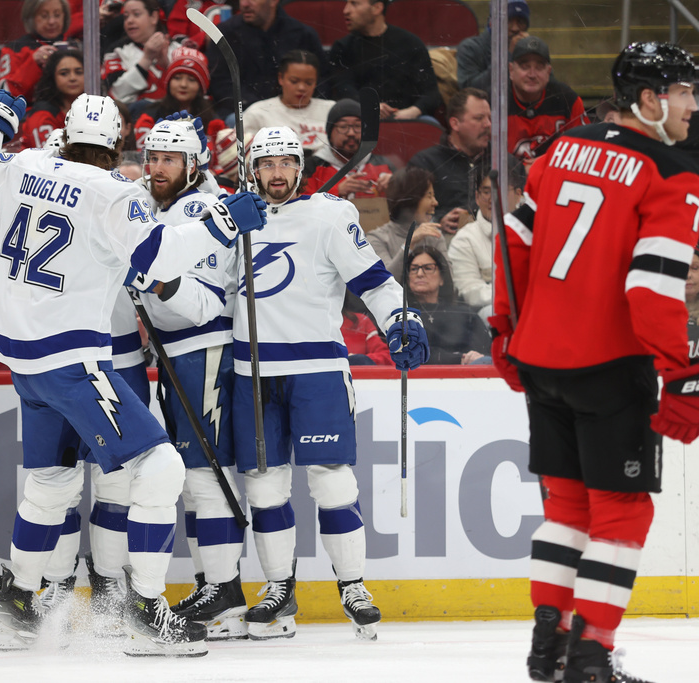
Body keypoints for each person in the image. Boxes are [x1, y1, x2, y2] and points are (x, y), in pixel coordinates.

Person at [0, 90, 267, 655]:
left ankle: (16, 608)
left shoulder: (25, 170)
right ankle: (145, 611)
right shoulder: (115, 194)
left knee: (51, 483)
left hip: (23, 362)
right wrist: (220, 223)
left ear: (64, 137)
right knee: (159, 465)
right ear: (116, 147)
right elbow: (158, 261)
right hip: (73, 359)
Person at [490, 42, 699, 683]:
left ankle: (547, 649)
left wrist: (505, 329)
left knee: (568, 510)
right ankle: (590, 656)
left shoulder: (562, 147)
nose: (694, 105)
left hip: (542, 362)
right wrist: (684, 373)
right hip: (610, 365)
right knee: (622, 512)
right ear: (649, 99)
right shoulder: (671, 172)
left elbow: (514, 242)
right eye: (686, 92)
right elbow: (651, 286)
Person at [231, 126, 428, 641]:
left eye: (286, 163)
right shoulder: (228, 218)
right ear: (254, 169)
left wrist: (403, 322)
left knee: (333, 481)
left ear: (300, 167)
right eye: (267, 164)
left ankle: (353, 585)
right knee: (264, 487)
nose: (277, 173)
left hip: (316, 370)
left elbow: (373, 282)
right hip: (251, 373)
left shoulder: (330, 216)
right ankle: (279, 588)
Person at [130, 118, 245, 639]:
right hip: (176, 356)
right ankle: (214, 583)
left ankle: (225, 590)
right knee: (195, 477)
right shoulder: (168, 206)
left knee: (204, 474)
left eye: (168, 160)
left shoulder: (198, 211)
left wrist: (156, 279)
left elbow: (203, 303)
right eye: (151, 157)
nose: (156, 169)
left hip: (202, 350)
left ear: (192, 165)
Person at [205, 0, 326, 119]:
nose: (244, 4)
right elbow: (220, 84)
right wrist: (260, 110)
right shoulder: (224, 34)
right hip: (243, 112)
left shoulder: (304, 35)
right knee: (233, 120)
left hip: (294, 113)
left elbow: (322, 81)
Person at [328, 0, 441, 121]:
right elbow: (344, 89)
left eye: (354, 3)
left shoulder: (410, 43)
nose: (346, 10)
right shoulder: (343, 47)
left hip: (407, 118)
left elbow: (431, 92)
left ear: (377, 8)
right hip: (360, 118)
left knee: (429, 122)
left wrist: (413, 111)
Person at [447, 163, 525, 318]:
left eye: (500, 191)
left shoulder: (530, 233)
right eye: (486, 192)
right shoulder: (465, 239)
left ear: (518, 195)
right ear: (477, 197)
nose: (492, 198)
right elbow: (470, 292)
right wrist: (515, 295)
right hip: (488, 315)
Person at [408, 89, 492, 231]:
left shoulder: (505, 163)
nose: (488, 124)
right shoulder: (424, 162)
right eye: (479, 118)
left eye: (489, 118)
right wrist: (439, 220)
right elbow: (409, 212)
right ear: (455, 124)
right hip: (442, 242)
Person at [403, 245, 490, 365]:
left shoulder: (465, 314)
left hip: (471, 377)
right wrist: (460, 359)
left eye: (428, 268)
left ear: (442, 278)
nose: (419, 274)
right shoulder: (401, 315)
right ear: (407, 279)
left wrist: (474, 358)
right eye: (413, 269)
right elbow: (411, 353)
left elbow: (485, 352)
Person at [507, 36, 586, 162]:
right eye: (525, 67)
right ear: (511, 70)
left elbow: (585, 149)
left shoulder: (568, 100)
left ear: (548, 72)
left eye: (539, 68)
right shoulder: (496, 102)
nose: (532, 75)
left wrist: (543, 164)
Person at [243, 50, 335, 156]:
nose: (302, 88)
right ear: (280, 78)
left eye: (309, 83)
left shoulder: (331, 109)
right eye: (294, 81)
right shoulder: (257, 113)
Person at [365, 166, 447, 280]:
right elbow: (385, 282)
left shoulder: (434, 236)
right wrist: (409, 244)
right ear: (409, 200)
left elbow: (448, 281)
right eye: (429, 196)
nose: (435, 202)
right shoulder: (376, 238)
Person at [132, 47, 220, 149]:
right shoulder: (150, 116)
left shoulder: (212, 120)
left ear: (201, 87)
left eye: (191, 80)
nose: (183, 85)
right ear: (168, 82)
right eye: (177, 78)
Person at [304, 98, 392, 198]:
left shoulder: (383, 164)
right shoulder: (310, 168)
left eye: (357, 126)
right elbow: (300, 204)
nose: (351, 133)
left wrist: (395, 186)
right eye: (343, 126)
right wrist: (337, 192)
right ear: (329, 134)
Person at [102, 0, 182, 108]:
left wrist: (166, 65)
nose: (129, 20)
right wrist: (146, 60)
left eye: (136, 14)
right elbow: (115, 94)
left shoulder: (178, 49)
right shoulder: (116, 52)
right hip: (134, 118)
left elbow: (190, 91)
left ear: (154, 17)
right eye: (126, 17)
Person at [0, 0, 73, 104]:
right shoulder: (14, 49)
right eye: (44, 16)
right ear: (31, 18)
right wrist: (33, 62)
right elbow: (2, 96)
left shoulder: (77, 47)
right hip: (29, 115)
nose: (52, 21)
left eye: (57, 15)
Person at [456, 0, 531, 91]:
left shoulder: (530, 48)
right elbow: (469, 91)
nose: (515, 28)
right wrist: (508, 56)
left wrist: (530, 52)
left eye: (520, 22)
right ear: (492, 23)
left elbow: (550, 89)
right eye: (507, 20)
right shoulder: (470, 47)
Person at [20, 48, 85, 150]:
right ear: (52, 78)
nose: (73, 78)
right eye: (64, 73)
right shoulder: (42, 114)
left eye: (79, 72)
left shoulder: (94, 108)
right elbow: (46, 159)